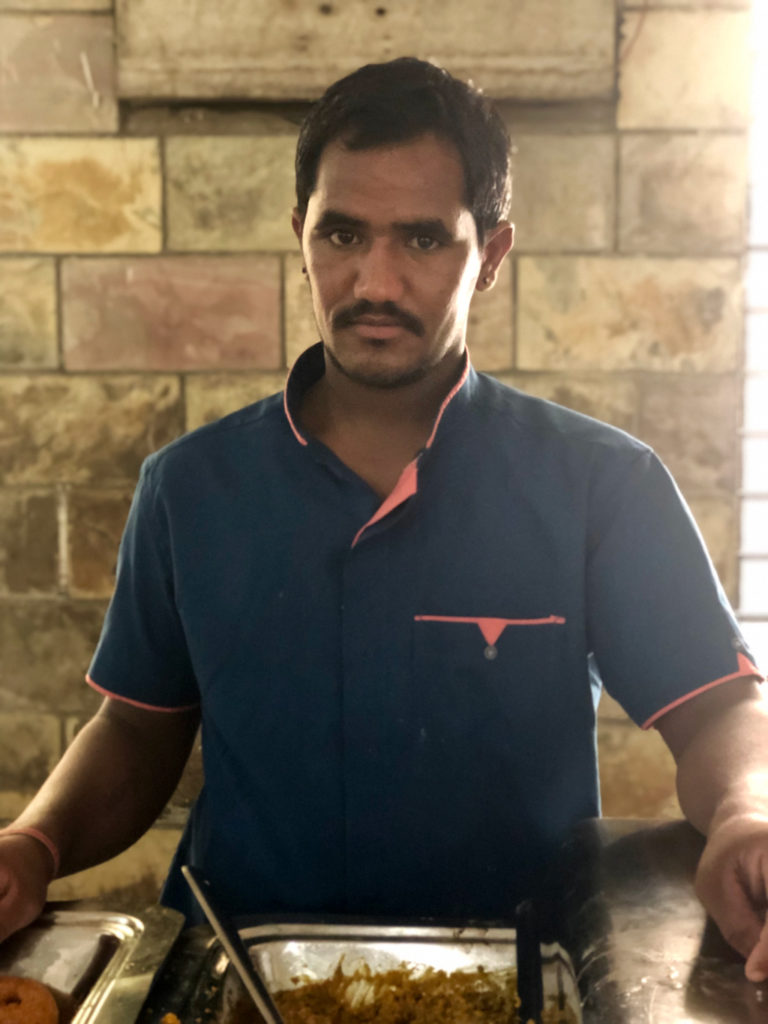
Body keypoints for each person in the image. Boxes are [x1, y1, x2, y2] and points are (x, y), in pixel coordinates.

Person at [1, 56, 767, 983]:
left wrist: (746, 815)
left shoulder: (601, 487)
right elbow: (135, 732)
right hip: (239, 981)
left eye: (422, 240)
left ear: (491, 254)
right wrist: (35, 843)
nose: (374, 280)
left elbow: (718, 708)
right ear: (301, 236)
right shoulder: (190, 489)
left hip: (516, 980)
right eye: (343, 234)